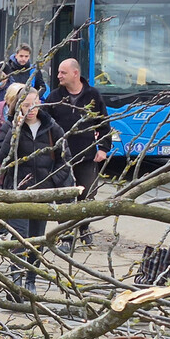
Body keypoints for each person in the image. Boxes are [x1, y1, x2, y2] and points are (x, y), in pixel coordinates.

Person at [0, 88, 74, 298]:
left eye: (33, 104)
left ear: (40, 103)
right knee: (18, 239)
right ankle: (16, 282)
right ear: (18, 105)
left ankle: (30, 279)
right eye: (25, 105)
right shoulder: (10, 126)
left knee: (36, 239)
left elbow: (64, 158)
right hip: (18, 192)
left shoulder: (52, 128)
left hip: (42, 194)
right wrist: (15, 130)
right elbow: (1, 157)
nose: (30, 110)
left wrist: (52, 182)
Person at [46, 58, 112, 250]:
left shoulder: (93, 96)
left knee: (88, 194)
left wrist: (103, 148)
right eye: (58, 72)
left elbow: (104, 124)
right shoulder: (54, 97)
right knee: (64, 196)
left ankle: (84, 228)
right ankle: (66, 236)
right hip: (61, 157)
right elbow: (46, 125)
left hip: (87, 154)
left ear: (75, 73)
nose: (58, 76)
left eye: (62, 73)